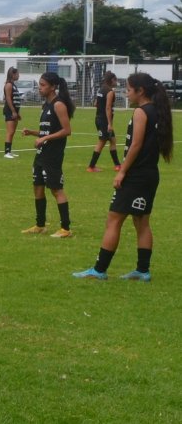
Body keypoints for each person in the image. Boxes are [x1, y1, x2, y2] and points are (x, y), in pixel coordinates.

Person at [74, 73, 173, 281]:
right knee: (141, 222)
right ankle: (143, 271)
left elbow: (135, 145)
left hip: (136, 176)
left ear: (140, 91)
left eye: (128, 90)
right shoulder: (157, 111)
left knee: (114, 220)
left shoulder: (140, 112)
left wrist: (122, 171)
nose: (126, 94)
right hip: (150, 175)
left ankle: (99, 270)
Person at [20, 72, 75, 238]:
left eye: (43, 85)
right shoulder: (46, 105)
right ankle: (40, 225)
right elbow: (47, 131)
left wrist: (45, 138)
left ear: (52, 87)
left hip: (53, 155)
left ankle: (65, 228)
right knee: (37, 187)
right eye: (39, 84)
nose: (39, 87)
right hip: (41, 153)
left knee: (56, 189)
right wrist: (33, 133)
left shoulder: (59, 105)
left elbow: (67, 131)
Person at [87, 71, 121, 172]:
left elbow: (95, 103)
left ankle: (117, 165)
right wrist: (110, 124)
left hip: (98, 118)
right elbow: (108, 108)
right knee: (102, 142)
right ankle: (91, 167)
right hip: (104, 121)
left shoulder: (101, 89)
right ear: (112, 80)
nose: (117, 82)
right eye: (116, 80)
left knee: (112, 140)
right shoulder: (110, 92)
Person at [2, 67, 22, 158]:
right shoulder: (9, 85)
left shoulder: (14, 85)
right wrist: (13, 111)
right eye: (17, 74)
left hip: (15, 111)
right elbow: (8, 99)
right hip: (10, 111)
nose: (18, 75)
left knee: (13, 132)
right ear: (13, 74)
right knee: (10, 132)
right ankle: (6, 152)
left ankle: (9, 151)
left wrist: (18, 112)